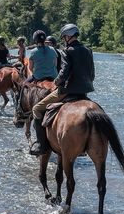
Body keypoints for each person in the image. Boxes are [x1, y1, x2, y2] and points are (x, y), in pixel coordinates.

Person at [29, 23, 95, 155]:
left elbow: (64, 72)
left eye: (64, 36)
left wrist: (56, 82)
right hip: (85, 90)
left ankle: (41, 145)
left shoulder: (67, 50)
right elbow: (92, 73)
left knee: (36, 109)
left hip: (67, 90)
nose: (64, 39)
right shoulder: (88, 50)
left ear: (68, 36)